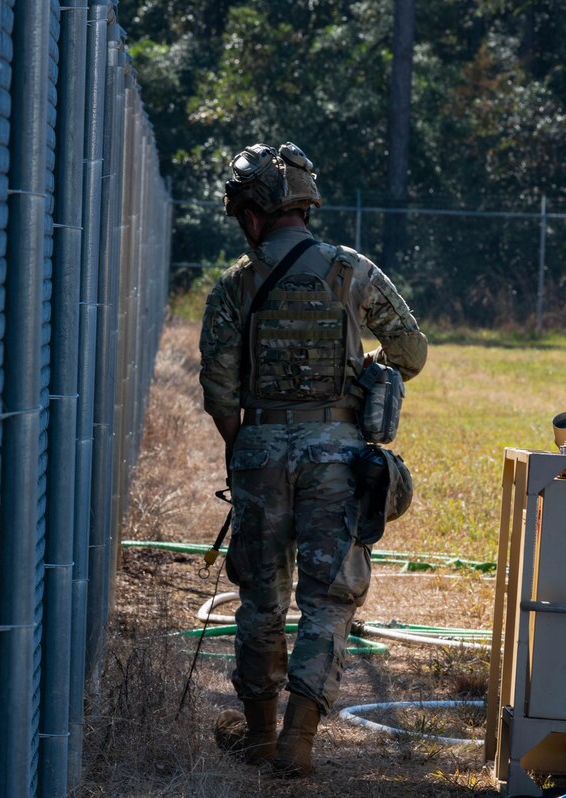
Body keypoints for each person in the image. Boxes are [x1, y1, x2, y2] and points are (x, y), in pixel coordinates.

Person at [199, 141, 428, 777]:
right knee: (328, 599)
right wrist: (364, 376)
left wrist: (247, 448)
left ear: (253, 213)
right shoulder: (352, 271)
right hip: (340, 458)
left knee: (261, 600)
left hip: (260, 454)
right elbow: (411, 350)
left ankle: (262, 737)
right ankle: (299, 744)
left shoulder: (234, 286)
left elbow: (219, 392)